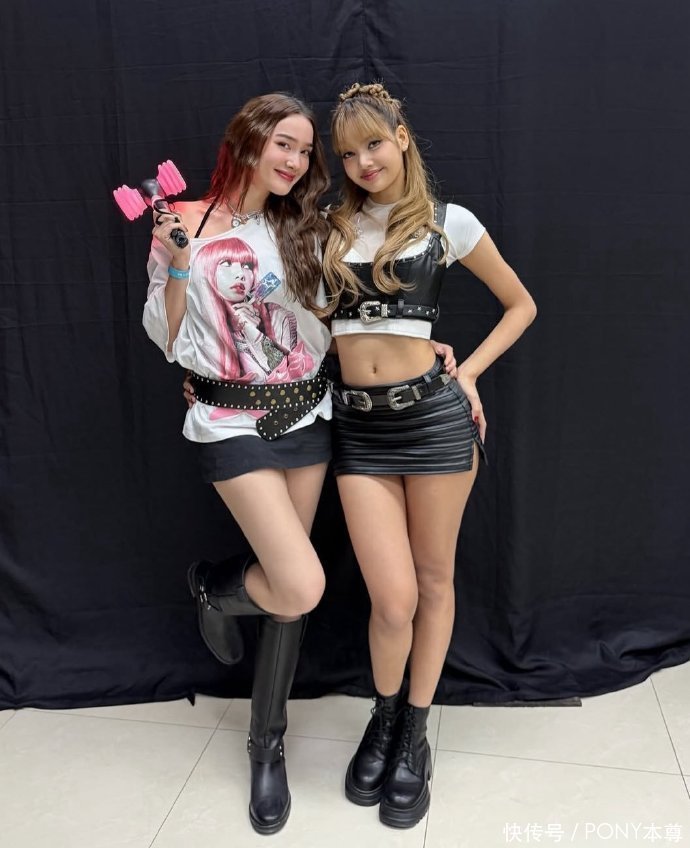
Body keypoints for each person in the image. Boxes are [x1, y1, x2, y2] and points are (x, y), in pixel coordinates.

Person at [321, 82, 537, 829]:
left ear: (402, 137)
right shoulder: (328, 229)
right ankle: (382, 721)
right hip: (360, 431)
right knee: (392, 599)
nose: (363, 162)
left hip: (435, 423)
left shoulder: (449, 223)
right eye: (348, 153)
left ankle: (414, 732)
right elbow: (302, 329)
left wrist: (467, 372)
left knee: (434, 579)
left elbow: (521, 304)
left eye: (374, 143)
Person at [142, 93, 333, 836]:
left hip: (307, 412)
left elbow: (333, 320)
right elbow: (167, 338)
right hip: (228, 420)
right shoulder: (181, 221)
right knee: (300, 582)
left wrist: (421, 344)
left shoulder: (301, 225)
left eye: (305, 150)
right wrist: (178, 264)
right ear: (249, 141)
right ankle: (215, 592)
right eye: (284, 143)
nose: (296, 161)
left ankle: (266, 746)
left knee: (289, 598)